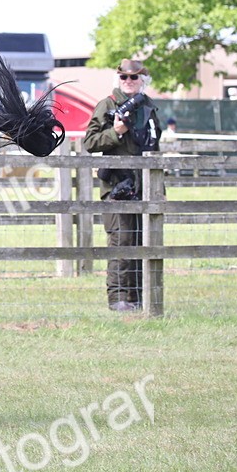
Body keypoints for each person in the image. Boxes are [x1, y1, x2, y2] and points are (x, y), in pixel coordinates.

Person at [83, 58, 161, 311]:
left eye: (134, 77)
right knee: (121, 242)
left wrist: (158, 186)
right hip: (116, 186)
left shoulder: (148, 107)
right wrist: (115, 132)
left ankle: (138, 297)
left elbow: (154, 145)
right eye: (124, 77)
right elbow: (90, 142)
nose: (128, 82)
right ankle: (118, 299)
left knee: (143, 243)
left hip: (144, 186)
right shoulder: (107, 105)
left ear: (142, 80)